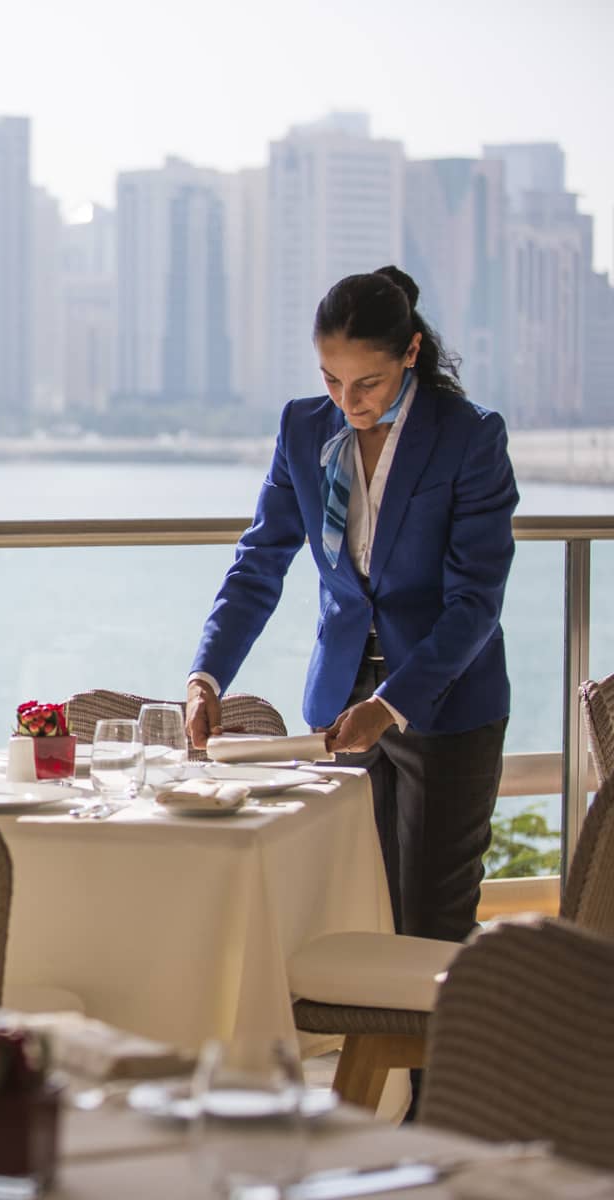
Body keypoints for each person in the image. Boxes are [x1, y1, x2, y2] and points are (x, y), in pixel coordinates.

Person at [186, 265, 519, 945]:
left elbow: (475, 603)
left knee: (431, 924)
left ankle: (447, 1025)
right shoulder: (302, 429)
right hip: (338, 702)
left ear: (411, 352)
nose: (348, 401)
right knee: (350, 918)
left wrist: (391, 705)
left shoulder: (470, 437)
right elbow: (258, 565)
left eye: (367, 382)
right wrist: (206, 676)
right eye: (331, 380)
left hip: (446, 702)